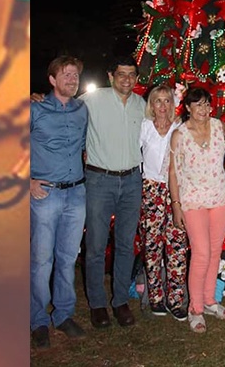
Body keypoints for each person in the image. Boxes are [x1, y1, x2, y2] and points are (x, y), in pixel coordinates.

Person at [168, 86, 225, 333]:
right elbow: (173, 172)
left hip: (221, 197)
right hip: (193, 200)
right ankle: (196, 308)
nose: (203, 109)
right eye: (198, 104)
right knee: (201, 252)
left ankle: (210, 300)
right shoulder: (180, 134)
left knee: (214, 251)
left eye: (207, 104)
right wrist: (176, 205)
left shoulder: (219, 126)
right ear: (188, 108)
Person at [81, 56, 146, 329]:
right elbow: (61, 109)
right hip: (99, 180)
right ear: (111, 76)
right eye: (121, 74)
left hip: (132, 181)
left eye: (132, 75)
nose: (127, 80)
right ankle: (97, 304)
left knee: (124, 245)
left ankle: (120, 301)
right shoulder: (90, 101)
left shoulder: (142, 105)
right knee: (95, 246)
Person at [29, 56, 90, 349]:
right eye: (66, 75)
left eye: (75, 75)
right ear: (52, 80)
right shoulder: (34, 108)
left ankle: (63, 314)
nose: (72, 79)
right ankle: (38, 319)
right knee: (41, 261)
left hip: (76, 194)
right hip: (45, 195)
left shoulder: (82, 109)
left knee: (67, 259)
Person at [138, 84, 188, 321]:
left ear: (173, 103)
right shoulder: (145, 127)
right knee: (152, 246)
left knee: (177, 245)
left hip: (176, 191)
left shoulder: (180, 128)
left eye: (167, 100)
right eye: (157, 101)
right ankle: (156, 296)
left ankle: (176, 300)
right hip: (151, 191)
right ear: (151, 104)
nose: (162, 106)